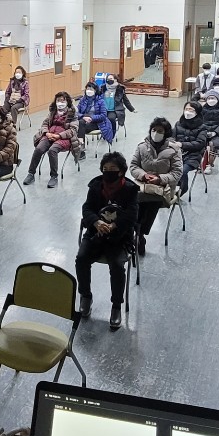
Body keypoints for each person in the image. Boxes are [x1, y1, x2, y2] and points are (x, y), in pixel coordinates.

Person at [76, 152, 139, 331]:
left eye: (113, 169)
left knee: (117, 266)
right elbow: (87, 208)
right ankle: (86, 296)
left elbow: (132, 215)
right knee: (81, 259)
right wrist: (96, 222)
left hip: (119, 237)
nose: (108, 172)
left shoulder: (130, 189)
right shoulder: (96, 186)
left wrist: (114, 226)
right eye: (105, 169)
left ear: (121, 171)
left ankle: (116, 305)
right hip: (95, 234)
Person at [129, 118, 182, 256]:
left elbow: (177, 173)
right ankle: (137, 233)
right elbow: (133, 166)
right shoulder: (142, 146)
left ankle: (139, 234)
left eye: (160, 131)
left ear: (166, 133)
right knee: (133, 199)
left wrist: (160, 179)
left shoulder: (174, 150)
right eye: (154, 130)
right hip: (142, 184)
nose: (156, 133)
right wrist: (143, 175)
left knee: (150, 199)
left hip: (164, 188)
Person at [23, 92, 79, 189]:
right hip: (49, 135)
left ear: (67, 102)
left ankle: (54, 176)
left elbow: (73, 130)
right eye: (58, 100)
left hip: (64, 138)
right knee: (38, 149)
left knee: (52, 150)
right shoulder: (53, 111)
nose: (60, 103)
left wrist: (58, 136)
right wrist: (46, 133)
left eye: (63, 101)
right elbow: (44, 124)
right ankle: (31, 174)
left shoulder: (72, 113)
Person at [174, 102, 209, 196]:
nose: (188, 112)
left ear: (197, 112)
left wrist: (182, 144)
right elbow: (171, 137)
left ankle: (182, 190)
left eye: (191, 110)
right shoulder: (178, 124)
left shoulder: (202, 127)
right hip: (177, 153)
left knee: (182, 171)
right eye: (186, 109)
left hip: (193, 155)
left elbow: (200, 144)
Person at [75, 81, 114, 159]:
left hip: (98, 123)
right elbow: (76, 112)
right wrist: (83, 116)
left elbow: (103, 115)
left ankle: (80, 150)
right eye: (87, 89)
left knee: (79, 126)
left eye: (91, 89)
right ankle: (80, 148)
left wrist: (91, 118)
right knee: (79, 124)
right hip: (84, 121)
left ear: (95, 91)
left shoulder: (101, 101)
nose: (89, 91)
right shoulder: (83, 100)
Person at [200, 89, 219, 174]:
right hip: (204, 131)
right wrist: (204, 131)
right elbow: (199, 122)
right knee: (199, 142)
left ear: (217, 99)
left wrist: (215, 132)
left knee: (213, 144)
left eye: (213, 98)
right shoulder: (202, 109)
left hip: (218, 133)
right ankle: (201, 163)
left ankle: (209, 165)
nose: (211, 100)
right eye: (209, 98)